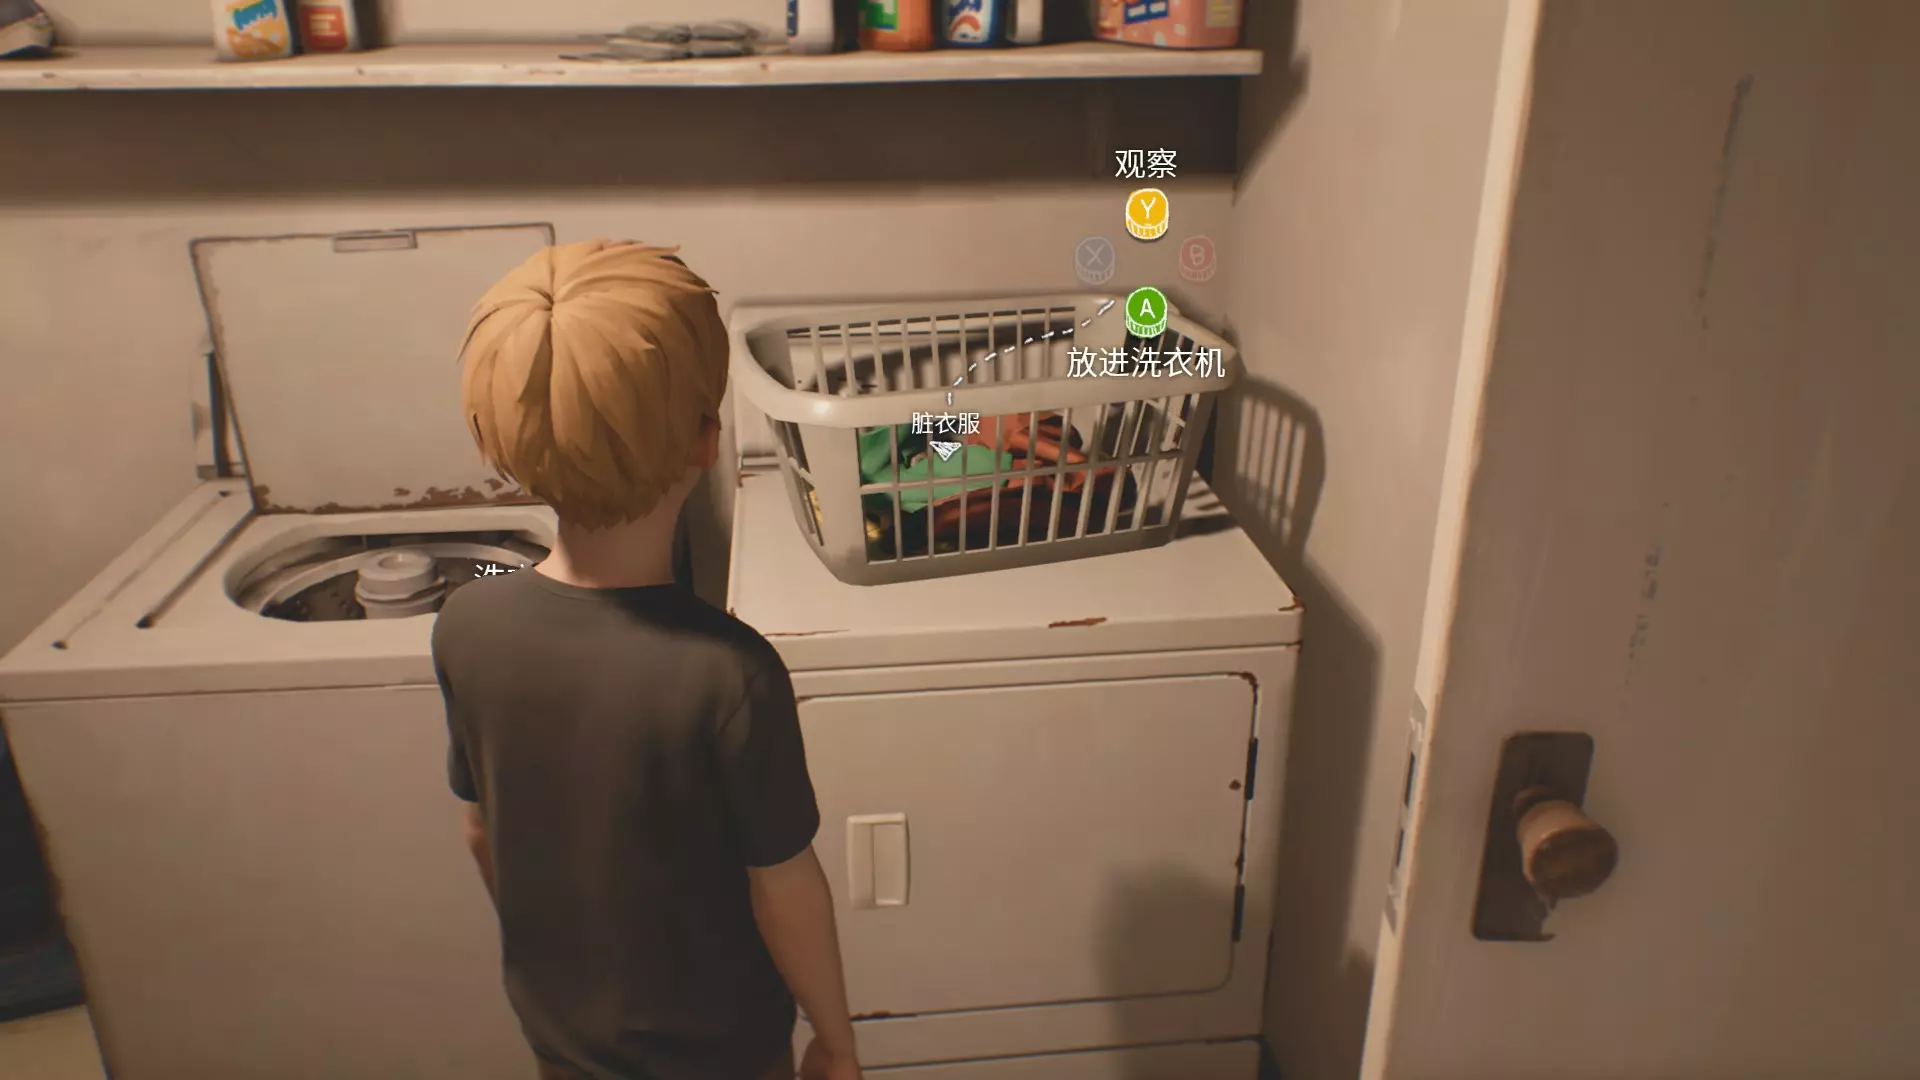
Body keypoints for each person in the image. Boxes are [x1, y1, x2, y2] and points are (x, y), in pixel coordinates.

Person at [431, 240, 862, 1080]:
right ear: (707, 439)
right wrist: (836, 1040)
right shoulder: (729, 674)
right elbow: (783, 889)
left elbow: (482, 832)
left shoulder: (466, 623)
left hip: (562, 1036)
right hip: (721, 1053)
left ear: (504, 440)